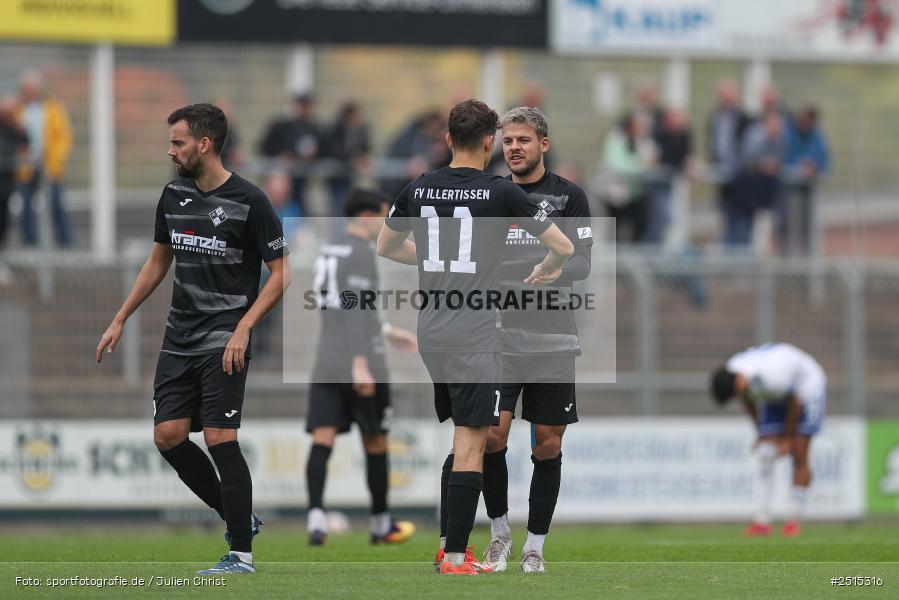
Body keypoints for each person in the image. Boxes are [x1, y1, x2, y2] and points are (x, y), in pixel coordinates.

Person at [377, 99, 574, 576]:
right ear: (490, 141)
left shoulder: (418, 187)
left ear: (447, 139)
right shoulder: (501, 194)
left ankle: (451, 546)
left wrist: (430, 260)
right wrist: (549, 269)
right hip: (475, 331)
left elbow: (385, 246)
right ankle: (454, 558)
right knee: (471, 440)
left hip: (432, 331)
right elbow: (563, 247)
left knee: (463, 435)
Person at [96, 103, 290, 575]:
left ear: (204, 144)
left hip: (225, 338)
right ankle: (239, 516)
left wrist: (244, 327)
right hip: (179, 337)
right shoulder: (174, 194)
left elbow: (282, 274)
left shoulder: (251, 200)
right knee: (168, 436)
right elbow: (157, 261)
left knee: (222, 438)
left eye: (178, 142)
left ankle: (240, 555)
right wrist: (121, 317)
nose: (171, 150)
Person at [477, 106, 592, 574]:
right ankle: (499, 535)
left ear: (543, 143)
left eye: (523, 139)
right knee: (490, 434)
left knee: (547, 443)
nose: (514, 148)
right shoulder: (491, 195)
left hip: (553, 339)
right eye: (507, 141)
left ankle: (535, 548)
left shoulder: (569, 197)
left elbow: (583, 261)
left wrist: (556, 266)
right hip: (498, 337)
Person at [305, 188, 418, 546]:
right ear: (368, 215)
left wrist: (387, 330)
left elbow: (341, 308)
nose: (385, 227)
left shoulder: (329, 249)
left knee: (322, 437)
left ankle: (316, 518)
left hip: (327, 357)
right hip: (361, 359)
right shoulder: (362, 254)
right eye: (384, 218)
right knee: (375, 441)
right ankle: (381, 523)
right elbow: (355, 309)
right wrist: (360, 364)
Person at [710, 343, 826, 537]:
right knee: (765, 453)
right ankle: (762, 521)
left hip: (807, 389)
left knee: (799, 453)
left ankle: (793, 520)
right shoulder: (734, 373)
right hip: (776, 393)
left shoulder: (773, 378)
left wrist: (787, 439)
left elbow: (794, 404)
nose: (739, 396)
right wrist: (760, 433)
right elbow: (747, 399)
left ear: (738, 382)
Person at [14, 69, 73, 247]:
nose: (29, 92)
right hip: (26, 165)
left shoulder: (53, 109)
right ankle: (29, 242)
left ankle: (65, 242)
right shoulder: (17, 110)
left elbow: (64, 136)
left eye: (31, 89)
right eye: (26, 89)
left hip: (48, 164)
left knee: (56, 203)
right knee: (25, 203)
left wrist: (56, 157)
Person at [259, 92, 321, 217]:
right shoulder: (282, 125)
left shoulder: (314, 127)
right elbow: (265, 146)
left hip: (300, 182)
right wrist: (281, 155)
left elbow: (323, 150)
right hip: (282, 180)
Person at [780, 106, 830, 257]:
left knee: (809, 228)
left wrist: (815, 167)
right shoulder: (787, 135)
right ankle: (788, 260)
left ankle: (808, 261)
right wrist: (798, 167)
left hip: (809, 189)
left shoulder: (817, 136)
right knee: (789, 226)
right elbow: (782, 160)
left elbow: (824, 159)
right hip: (789, 189)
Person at [707, 79, 752, 247]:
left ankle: (742, 262)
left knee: (743, 223)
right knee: (727, 219)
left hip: (743, 178)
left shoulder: (745, 118)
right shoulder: (715, 118)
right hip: (724, 178)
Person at [600, 112, 655, 243]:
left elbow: (650, 159)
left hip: (634, 191)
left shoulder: (641, 140)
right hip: (616, 192)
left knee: (640, 224)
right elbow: (616, 164)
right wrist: (640, 165)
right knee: (617, 228)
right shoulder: (616, 138)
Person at [643, 107, 692, 246]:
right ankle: (651, 248)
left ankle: (655, 247)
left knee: (667, 218)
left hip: (670, 181)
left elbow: (684, 158)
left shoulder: (684, 135)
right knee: (661, 217)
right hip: (657, 182)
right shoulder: (660, 134)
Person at [324, 102, 370, 233]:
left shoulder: (360, 130)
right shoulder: (336, 130)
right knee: (338, 208)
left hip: (350, 177)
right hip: (337, 178)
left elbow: (364, 148)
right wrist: (352, 159)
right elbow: (333, 150)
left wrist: (363, 157)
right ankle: (338, 235)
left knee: (349, 207)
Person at [0, 95, 27, 250]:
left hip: (6, 182)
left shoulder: (14, 127)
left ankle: (3, 252)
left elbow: (25, 143)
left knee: (4, 218)